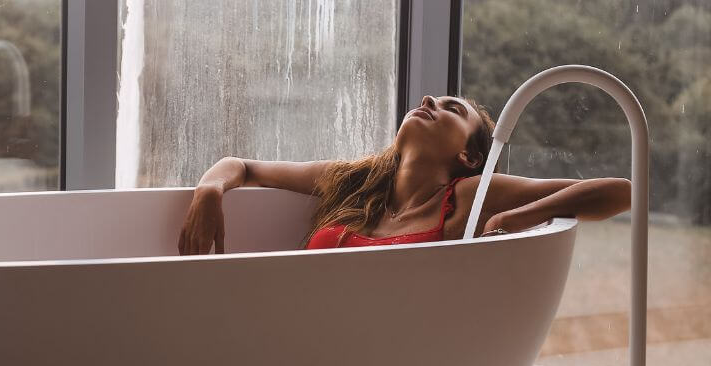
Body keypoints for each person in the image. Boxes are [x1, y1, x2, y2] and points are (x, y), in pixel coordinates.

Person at [177, 94, 632, 255]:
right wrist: (210, 191)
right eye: (431, 100)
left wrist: (515, 218)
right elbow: (242, 167)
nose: (430, 102)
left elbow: (620, 192)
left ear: (469, 156)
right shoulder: (354, 179)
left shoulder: (471, 193)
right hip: (304, 332)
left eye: (452, 109)